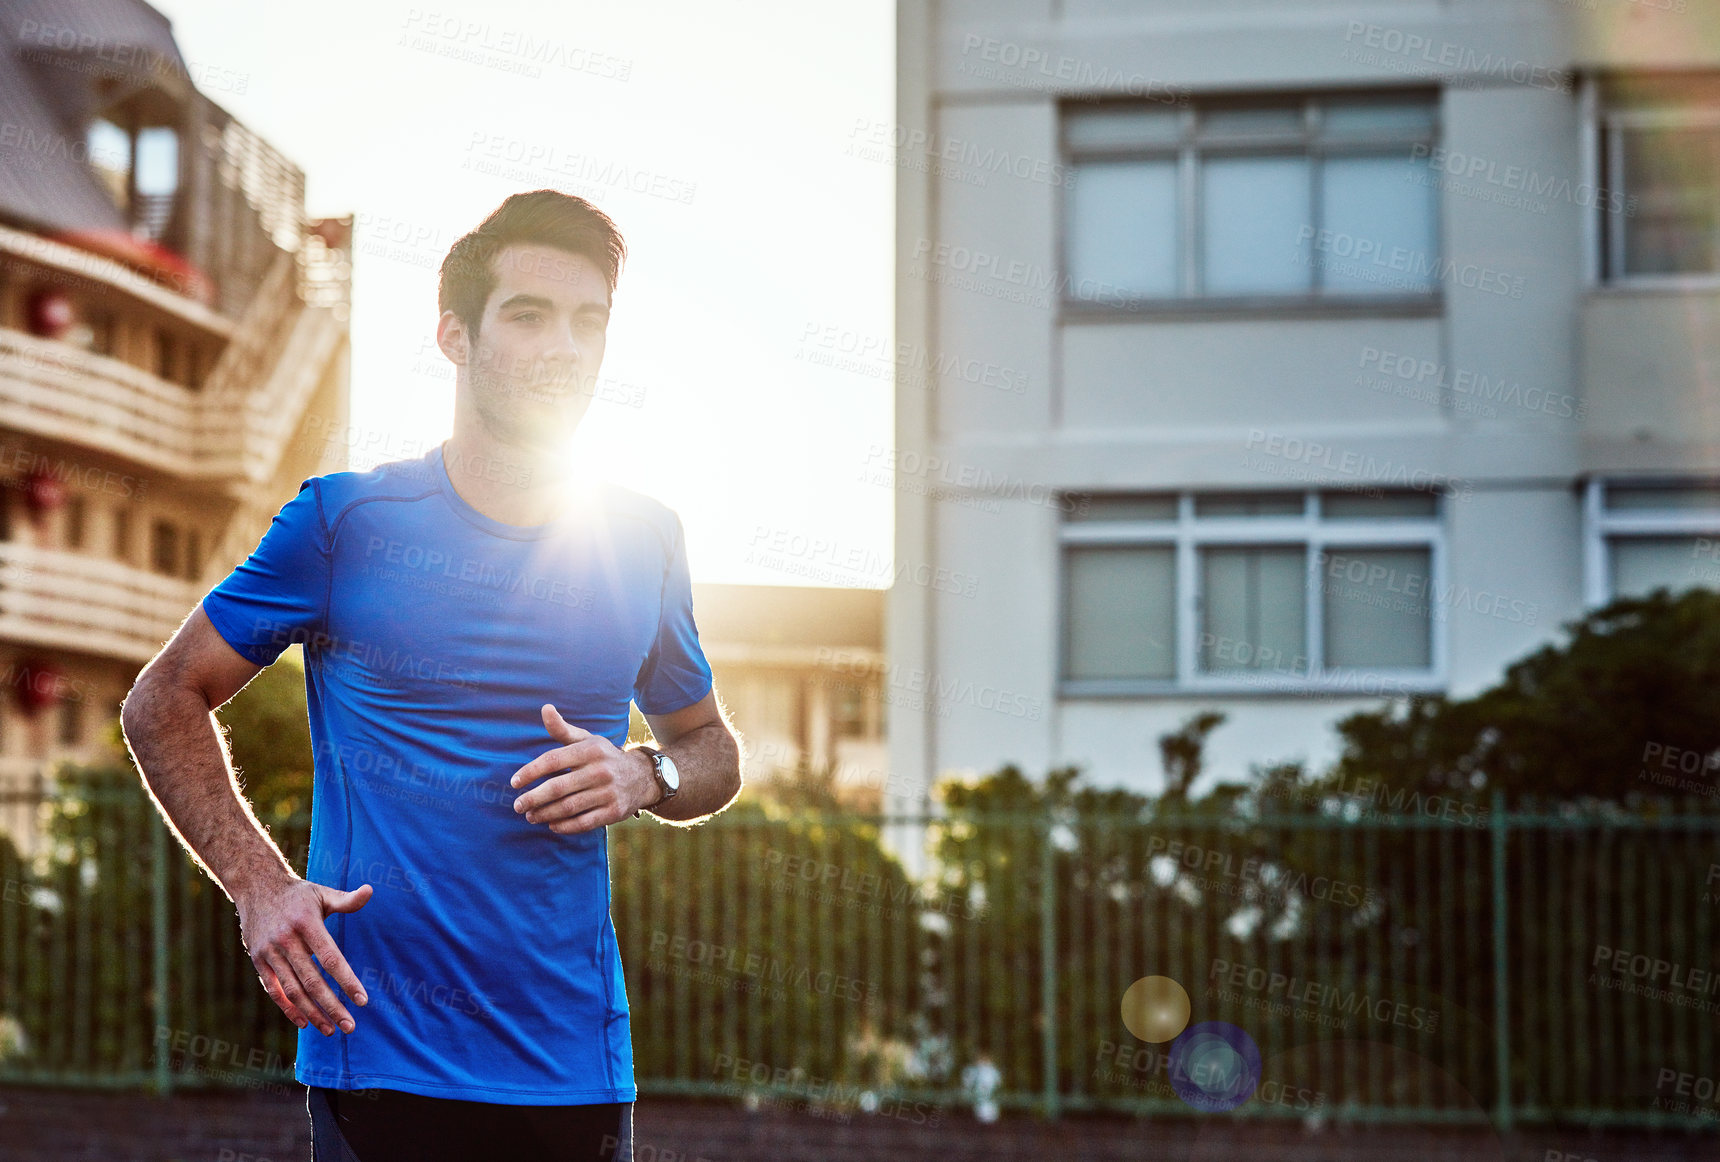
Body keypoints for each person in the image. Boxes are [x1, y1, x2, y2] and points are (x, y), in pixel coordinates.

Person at [120, 189, 744, 1161]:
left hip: (575, 1071)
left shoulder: (643, 538)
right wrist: (257, 885)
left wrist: (644, 774)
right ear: (454, 334)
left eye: (589, 322)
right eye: (528, 315)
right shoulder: (345, 523)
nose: (564, 347)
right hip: (380, 1058)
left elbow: (710, 749)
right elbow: (162, 697)